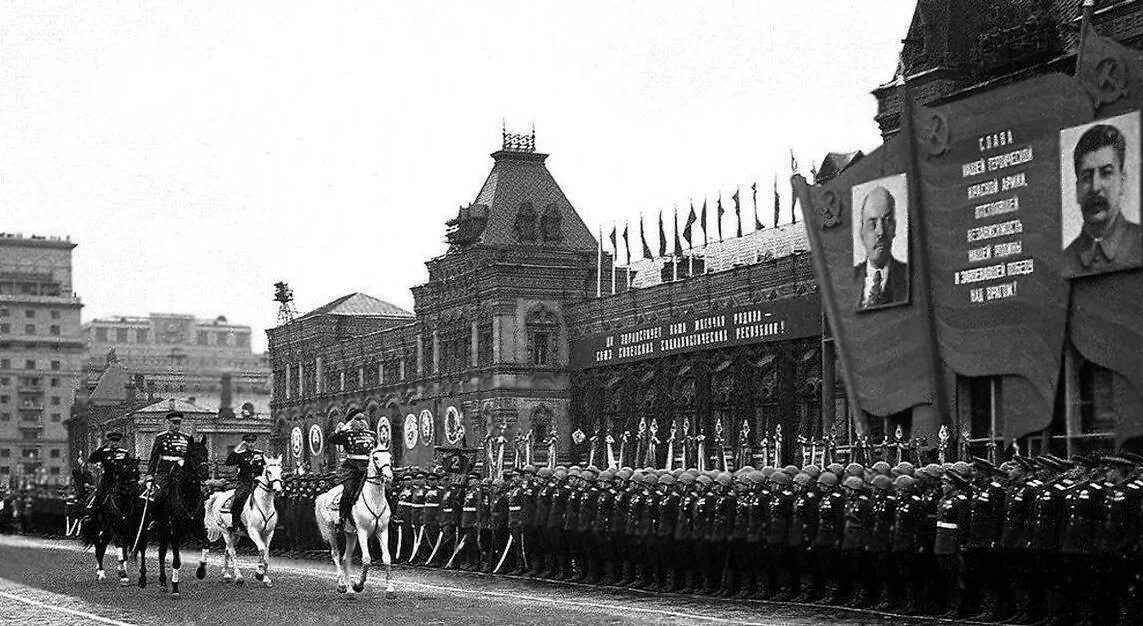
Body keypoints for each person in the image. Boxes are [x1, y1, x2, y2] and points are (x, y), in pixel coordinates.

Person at [1064, 123, 1143, 276]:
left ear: (1122, 181)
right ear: (1077, 190)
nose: (1095, 187)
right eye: (1086, 177)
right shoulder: (1065, 260)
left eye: (1106, 173)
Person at [853, 186, 909, 310]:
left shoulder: (910, 276)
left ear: (894, 228)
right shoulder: (848, 280)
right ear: (861, 232)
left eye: (887, 221)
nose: (880, 231)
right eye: (872, 223)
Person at [326, 408, 376, 532]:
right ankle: (342, 518)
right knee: (348, 491)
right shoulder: (346, 435)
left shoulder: (371, 435)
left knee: (385, 489)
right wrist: (344, 428)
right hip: (353, 468)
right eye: (358, 420)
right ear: (351, 422)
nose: (362, 422)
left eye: (363, 419)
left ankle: (390, 517)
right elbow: (332, 439)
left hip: (368, 468)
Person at [84, 432, 136, 523]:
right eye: (112, 441)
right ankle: (93, 515)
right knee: (99, 496)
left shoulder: (124, 453)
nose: (115, 443)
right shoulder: (104, 452)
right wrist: (101, 448)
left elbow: (128, 466)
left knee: (131, 496)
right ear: (109, 441)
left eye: (117, 441)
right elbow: (92, 459)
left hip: (121, 481)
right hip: (108, 480)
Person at [146, 411, 195, 497]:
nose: (177, 426)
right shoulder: (161, 438)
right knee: (157, 493)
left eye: (178, 424)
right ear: (169, 423)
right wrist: (150, 474)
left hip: (181, 472)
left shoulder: (186, 438)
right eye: (174, 423)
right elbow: (154, 457)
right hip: (165, 471)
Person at [224, 433, 265, 534]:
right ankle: (235, 523)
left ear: (255, 443)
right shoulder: (240, 454)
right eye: (248, 442)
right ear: (245, 443)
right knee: (238, 498)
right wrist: (236, 450)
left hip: (258, 482)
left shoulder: (260, 454)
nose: (251, 444)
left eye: (252, 442)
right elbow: (228, 462)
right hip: (245, 482)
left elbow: (265, 467)